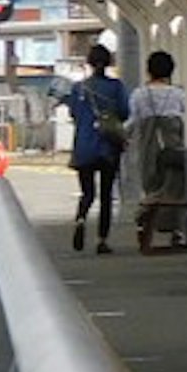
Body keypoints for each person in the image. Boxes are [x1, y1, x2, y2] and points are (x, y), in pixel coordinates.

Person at [63, 43, 133, 251]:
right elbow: (124, 112)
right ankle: (102, 240)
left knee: (87, 193)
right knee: (105, 195)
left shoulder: (79, 88)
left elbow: (73, 114)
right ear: (109, 62)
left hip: (84, 146)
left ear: (90, 63)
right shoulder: (116, 87)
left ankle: (81, 218)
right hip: (108, 147)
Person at [123, 49, 187, 257]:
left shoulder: (139, 95)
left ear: (148, 71)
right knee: (176, 186)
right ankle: (177, 230)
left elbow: (132, 122)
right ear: (171, 70)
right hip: (174, 145)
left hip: (148, 146)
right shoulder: (179, 94)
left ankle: (145, 218)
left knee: (152, 185)